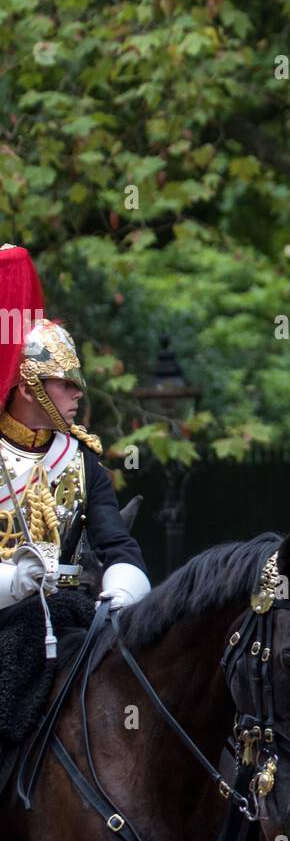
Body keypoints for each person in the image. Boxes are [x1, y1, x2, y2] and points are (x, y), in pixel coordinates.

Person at [0, 245, 150, 617]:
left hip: (66, 618)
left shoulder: (79, 460)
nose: (78, 393)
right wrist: (14, 582)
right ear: (27, 388)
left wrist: (120, 593)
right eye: (65, 384)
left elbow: (117, 546)